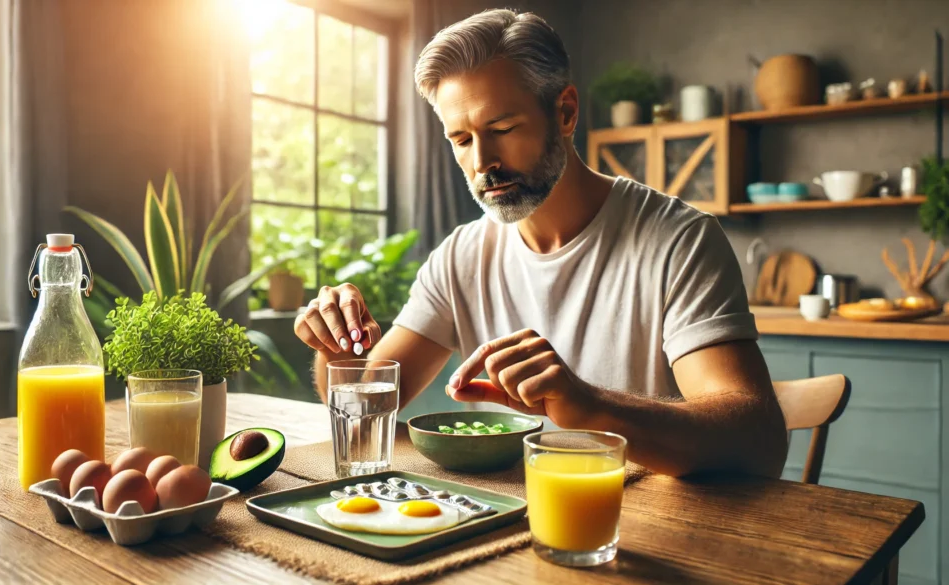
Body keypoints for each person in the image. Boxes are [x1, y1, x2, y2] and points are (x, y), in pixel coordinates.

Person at [293, 9, 788, 478]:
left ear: (566, 112)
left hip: (635, 528)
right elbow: (361, 402)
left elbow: (757, 442)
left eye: (503, 129)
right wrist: (334, 342)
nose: (483, 161)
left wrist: (591, 406)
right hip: (503, 526)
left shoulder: (679, 241)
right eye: (461, 140)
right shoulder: (461, 257)